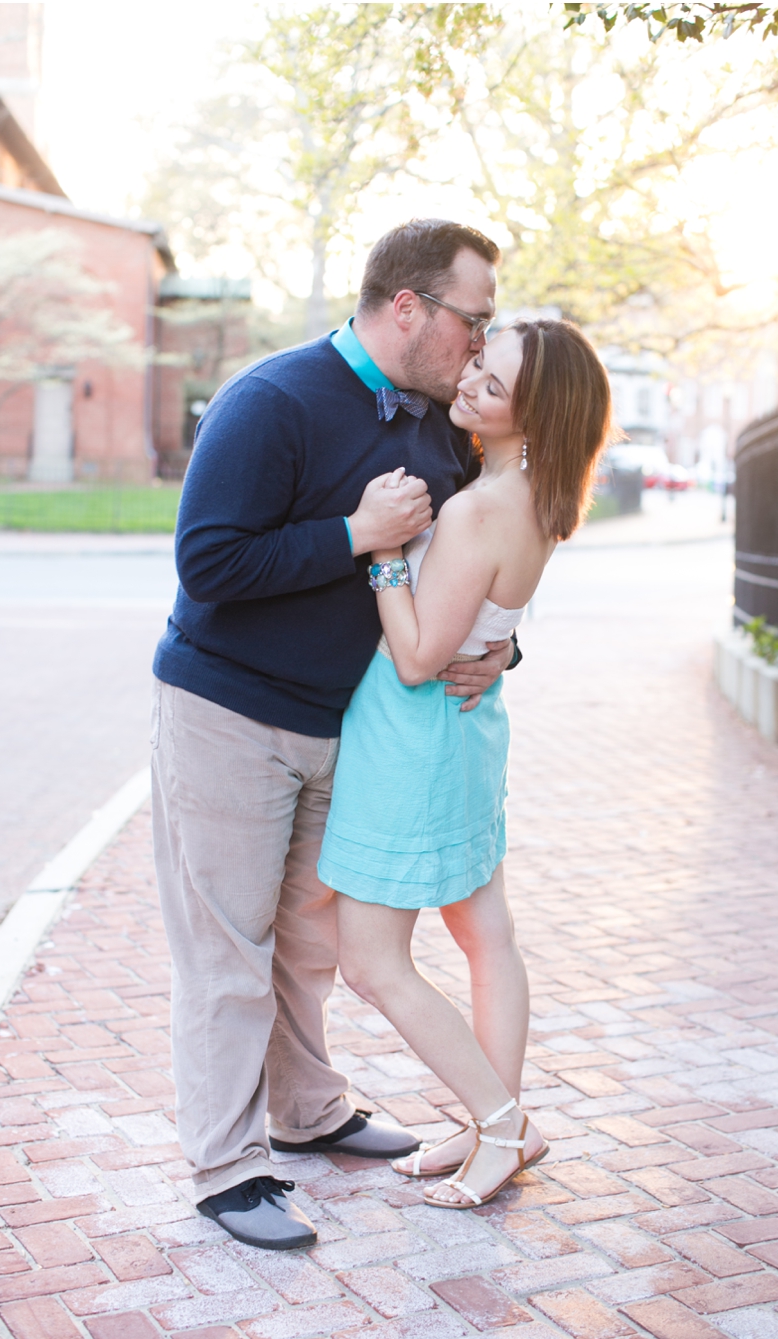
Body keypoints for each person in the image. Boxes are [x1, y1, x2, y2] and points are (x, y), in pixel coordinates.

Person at [151, 220, 521, 1250]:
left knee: (309, 944)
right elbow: (208, 566)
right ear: (408, 308)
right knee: (228, 950)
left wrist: (503, 655)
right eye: (471, 320)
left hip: (344, 724)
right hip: (227, 713)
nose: (479, 345)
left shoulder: (442, 427)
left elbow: (468, 575)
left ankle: (308, 1112)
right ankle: (228, 1171)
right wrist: (355, 536)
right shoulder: (272, 400)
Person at [319, 318, 613, 1209]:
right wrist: (498, 643)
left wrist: (377, 555)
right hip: (469, 731)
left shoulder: (480, 505)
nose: (473, 377)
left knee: (370, 960)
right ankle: (495, 1119)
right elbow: (488, 621)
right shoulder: (537, 493)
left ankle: (502, 1122)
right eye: (481, 359)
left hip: (417, 740)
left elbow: (415, 657)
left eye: (496, 378)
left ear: (539, 412)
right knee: (487, 935)